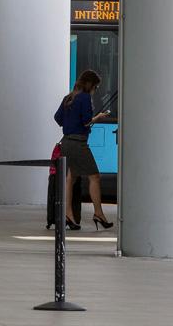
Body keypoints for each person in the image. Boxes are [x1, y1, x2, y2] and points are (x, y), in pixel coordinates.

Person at [54, 70, 112, 230]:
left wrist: (70, 121)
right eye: (96, 86)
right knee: (94, 176)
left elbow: (57, 118)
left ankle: (68, 215)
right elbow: (86, 122)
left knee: (70, 179)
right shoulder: (85, 98)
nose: (96, 90)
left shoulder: (69, 97)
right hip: (78, 143)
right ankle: (98, 213)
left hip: (66, 141)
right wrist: (98, 118)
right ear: (90, 85)